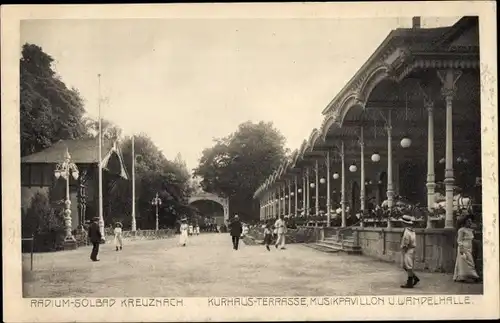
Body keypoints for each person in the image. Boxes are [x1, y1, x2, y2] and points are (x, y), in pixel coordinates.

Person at [453, 216, 481, 283]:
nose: (470, 223)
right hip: (463, 247)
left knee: (467, 262)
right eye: (468, 221)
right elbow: (459, 240)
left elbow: (472, 239)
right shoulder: (461, 230)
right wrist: (461, 248)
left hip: (469, 247)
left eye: (470, 221)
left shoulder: (471, 230)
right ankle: (475, 276)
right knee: (468, 262)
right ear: (464, 222)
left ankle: (462, 277)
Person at [400, 215, 420, 288]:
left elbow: (406, 243)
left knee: (407, 266)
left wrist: (404, 251)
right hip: (412, 249)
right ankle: (414, 278)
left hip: (408, 249)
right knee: (407, 266)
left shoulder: (407, 232)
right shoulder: (412, 230)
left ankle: (410, 282)